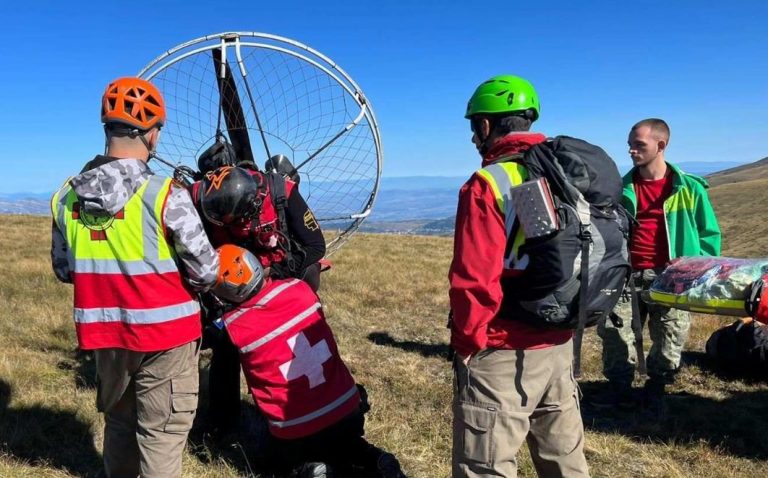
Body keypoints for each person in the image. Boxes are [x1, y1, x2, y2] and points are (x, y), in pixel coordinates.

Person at [50, 77, 219, 477]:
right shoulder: (166, 194)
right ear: (152, 133)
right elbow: (206, 271)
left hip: (106, 337)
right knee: (161, 435)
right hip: (168, 339)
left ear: (107, 129)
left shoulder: (65, 197)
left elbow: (63, 269)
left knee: (121, 426)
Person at [449, 75, 589, 477]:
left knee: (486, 465)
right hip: (560, 342)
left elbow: (473, 279)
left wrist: (467, 344)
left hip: (503, 348)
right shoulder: (564, 171)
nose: (474, 137)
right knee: (565, 461)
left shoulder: (489, 182)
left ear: (487, 125)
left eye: (475, 125)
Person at [210, 244, 406, 478]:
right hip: (347, 409)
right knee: (346, 444)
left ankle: (309, 470)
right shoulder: (300, 288)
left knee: (271, 460)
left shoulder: (233, 327)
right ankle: (375, 460)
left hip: (293, 431)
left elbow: (209, 337)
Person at [190, 159, 326, 436]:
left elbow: (315, 246)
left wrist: (270, 274)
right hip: (233, 282)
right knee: (227, 345)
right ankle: (222, 421)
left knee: (286, 340)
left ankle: (306, 402)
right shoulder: (199, 197)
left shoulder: (281, 192)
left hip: (283, 276)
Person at [596, 118, 721, 409]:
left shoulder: (690, 188)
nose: (631, 151)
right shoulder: (619, 188)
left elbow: (709, 235)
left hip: (672, 276)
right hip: (624, 275)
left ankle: (658, 386)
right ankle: (620, 389)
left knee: (670, 334)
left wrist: (695, 269)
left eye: (638, 145)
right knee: (615, 332)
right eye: (629, 145)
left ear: (660, 145)